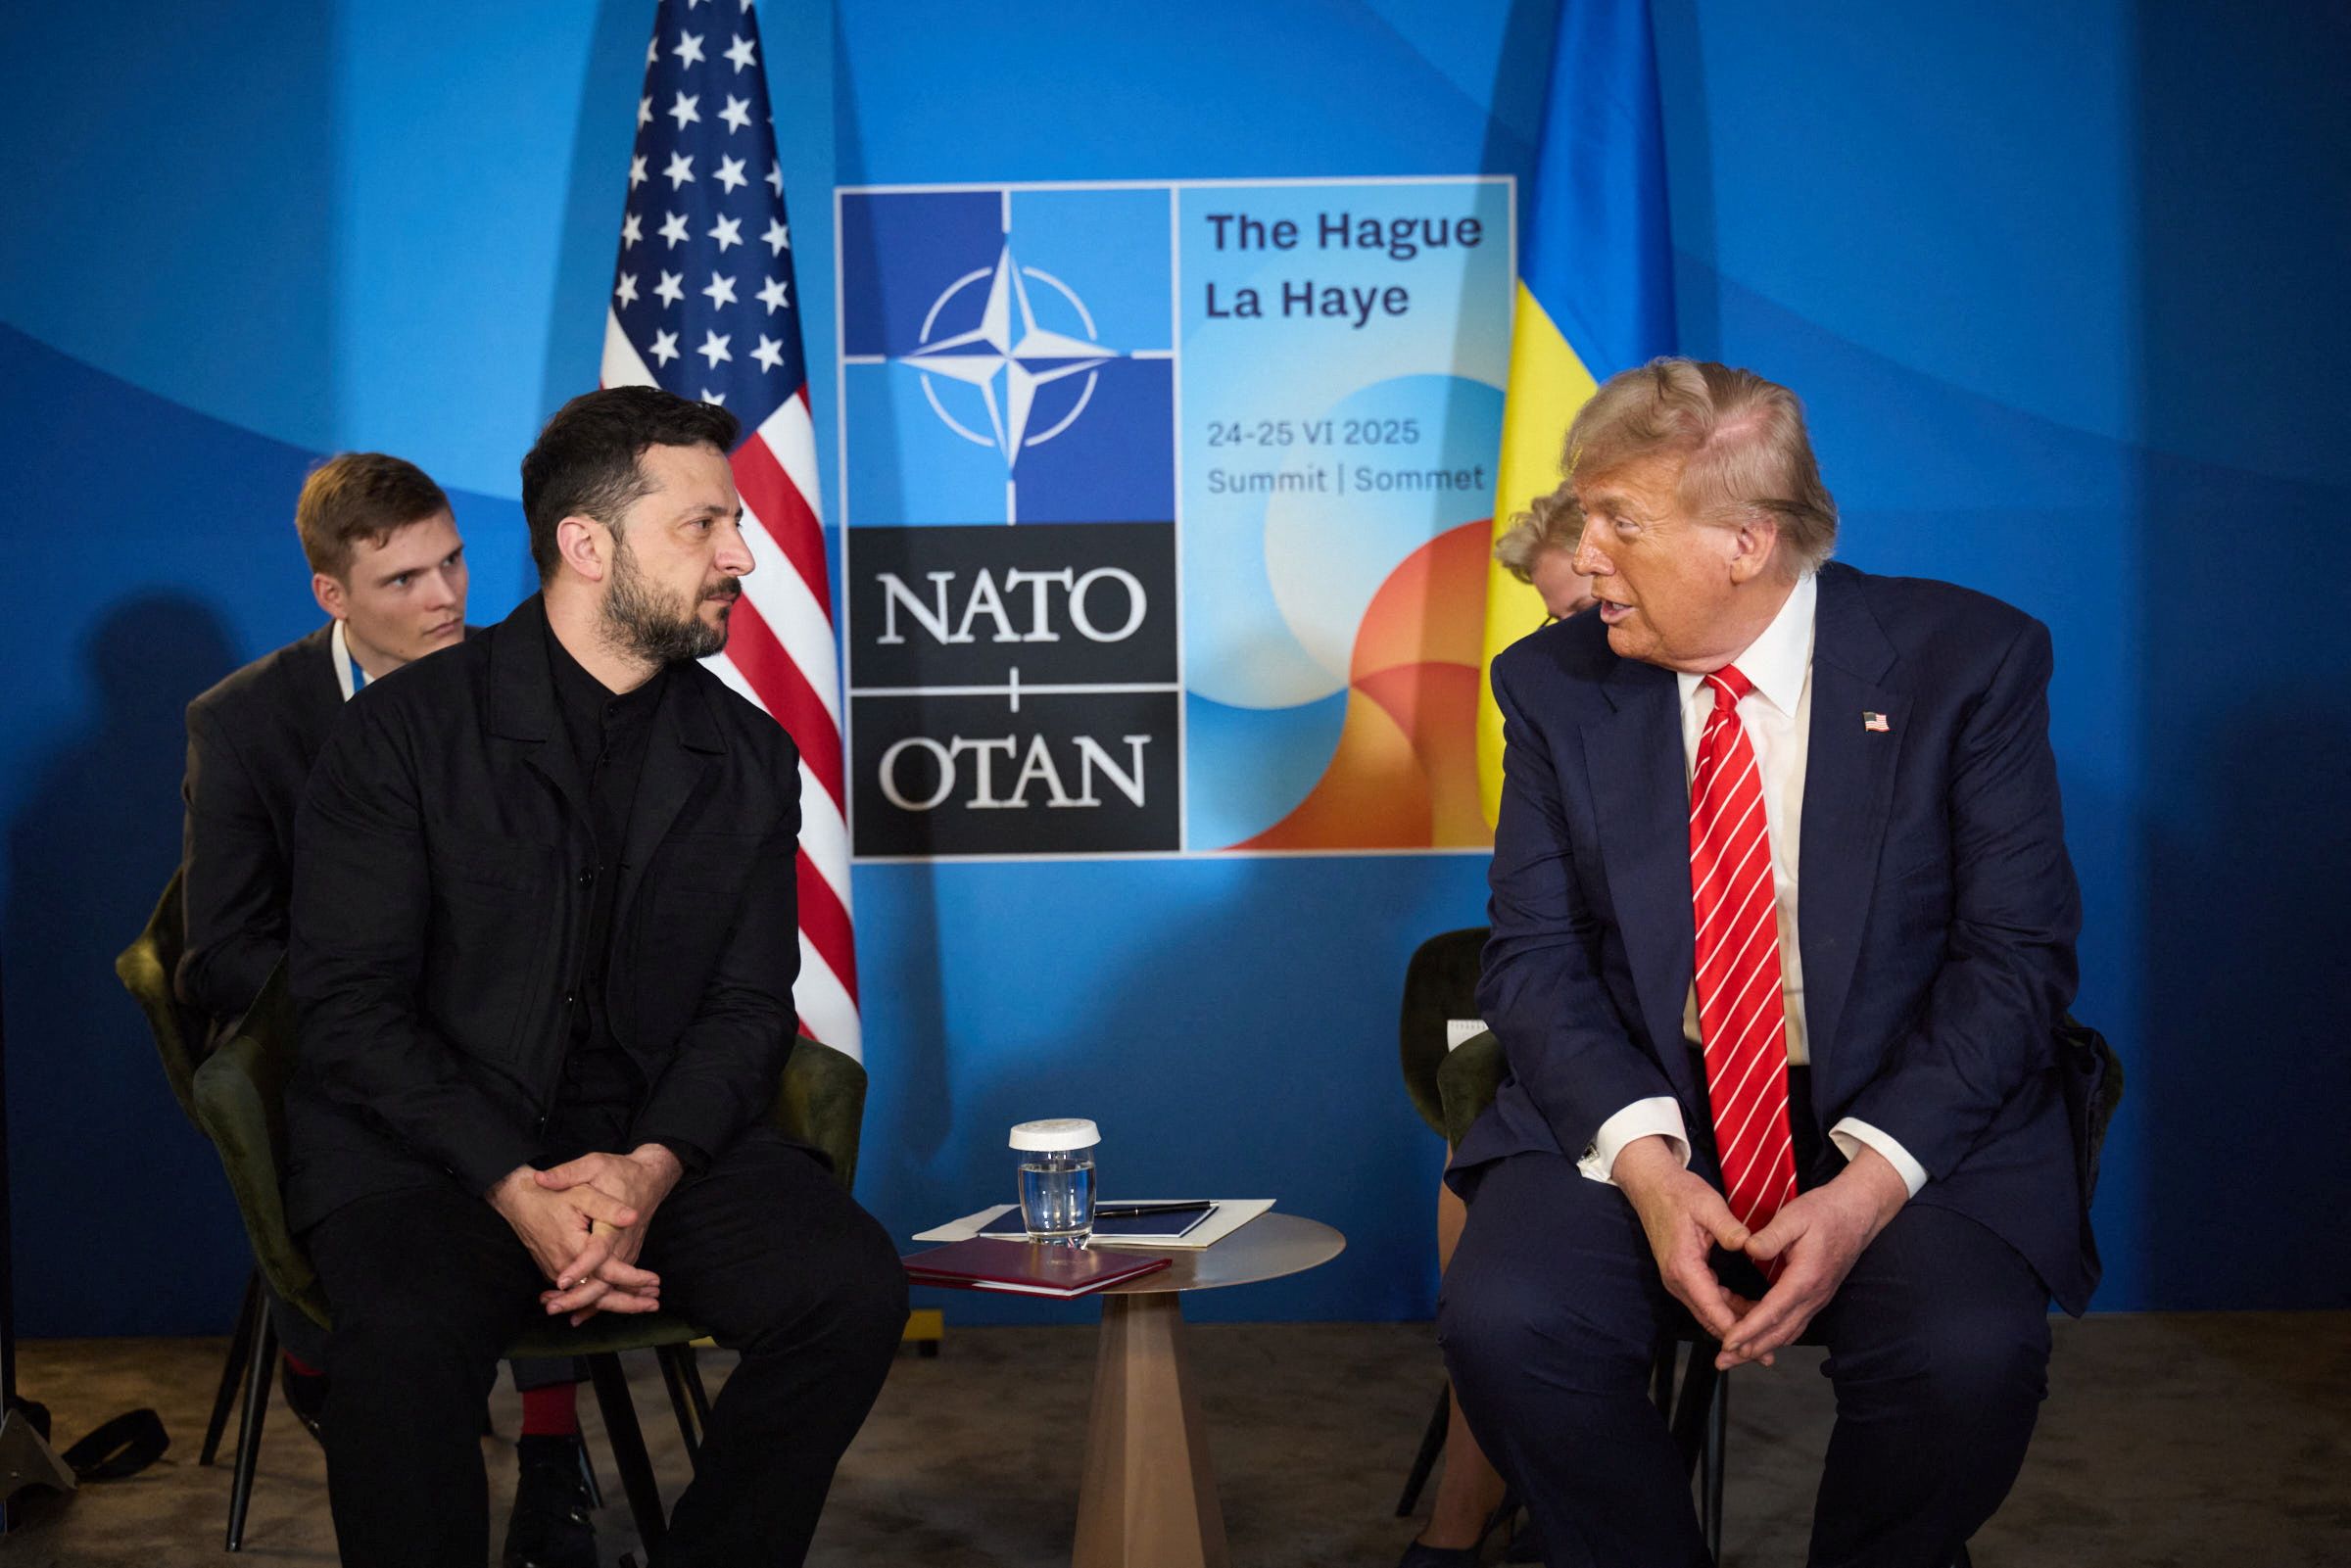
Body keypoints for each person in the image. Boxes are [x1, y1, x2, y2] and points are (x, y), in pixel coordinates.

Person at [1439, 358, 2098, 1567]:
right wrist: (1641, 1164)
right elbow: (1533, 958)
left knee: (1966, 1351)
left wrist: (1864, 1187)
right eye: (1586, 516)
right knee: (1509, 1318)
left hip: (1899, 1103)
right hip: (1654, 1092)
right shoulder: (1552, 682)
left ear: (1747, 540)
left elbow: (2014, 960)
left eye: (1619, 522)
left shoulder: (1971, 662)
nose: (1582, 557)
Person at [284, 386, 906, 1568]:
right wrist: (514, 1182)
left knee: (849, 1289)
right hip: (437, 1157)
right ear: (585, 542)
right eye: (703, 526)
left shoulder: (750, 755)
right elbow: (349, 1012)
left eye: (736, 525)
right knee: (401, 1340)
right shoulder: (399, 738)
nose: (742, 554)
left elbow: (743, 1008)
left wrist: (647, 1167)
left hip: (654, 1144)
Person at [175, 454, 600, 1566]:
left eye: (454, 560)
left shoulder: (536, 683)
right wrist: (377, 998)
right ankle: (333, 1354)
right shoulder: (249, 722)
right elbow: (217, 952)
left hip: (516, 1058)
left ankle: (553, 1454)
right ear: (335, 597)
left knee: (544, 1100)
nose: (447, 597)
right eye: (405, 579)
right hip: (346, 1059)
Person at [1398, 496, 1597, 1568]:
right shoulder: (1555, 713)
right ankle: (1471, 1509)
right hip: (1588, 1041)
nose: (1565, 643)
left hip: (1756, 1078)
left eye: (1587, 610)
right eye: (1557, 615)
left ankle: (1478, 1512)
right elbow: (1537, 930)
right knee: (1478, 1151)